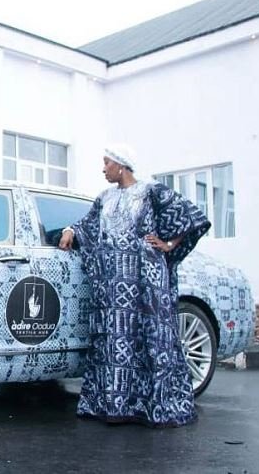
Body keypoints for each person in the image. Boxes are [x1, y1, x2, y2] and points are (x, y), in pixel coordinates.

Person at [59, 143, 210, 428]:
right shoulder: (104, 198)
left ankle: (154, 406)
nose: (103, 169)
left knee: (150, 337)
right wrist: (69, 230)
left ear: (121, 165)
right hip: (113, 284)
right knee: (116, 338)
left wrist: (168, 245)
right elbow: (87, 226)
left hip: (146, 280)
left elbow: (190, 216)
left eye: (107, 163)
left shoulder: (151, 191)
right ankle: (115, 406)